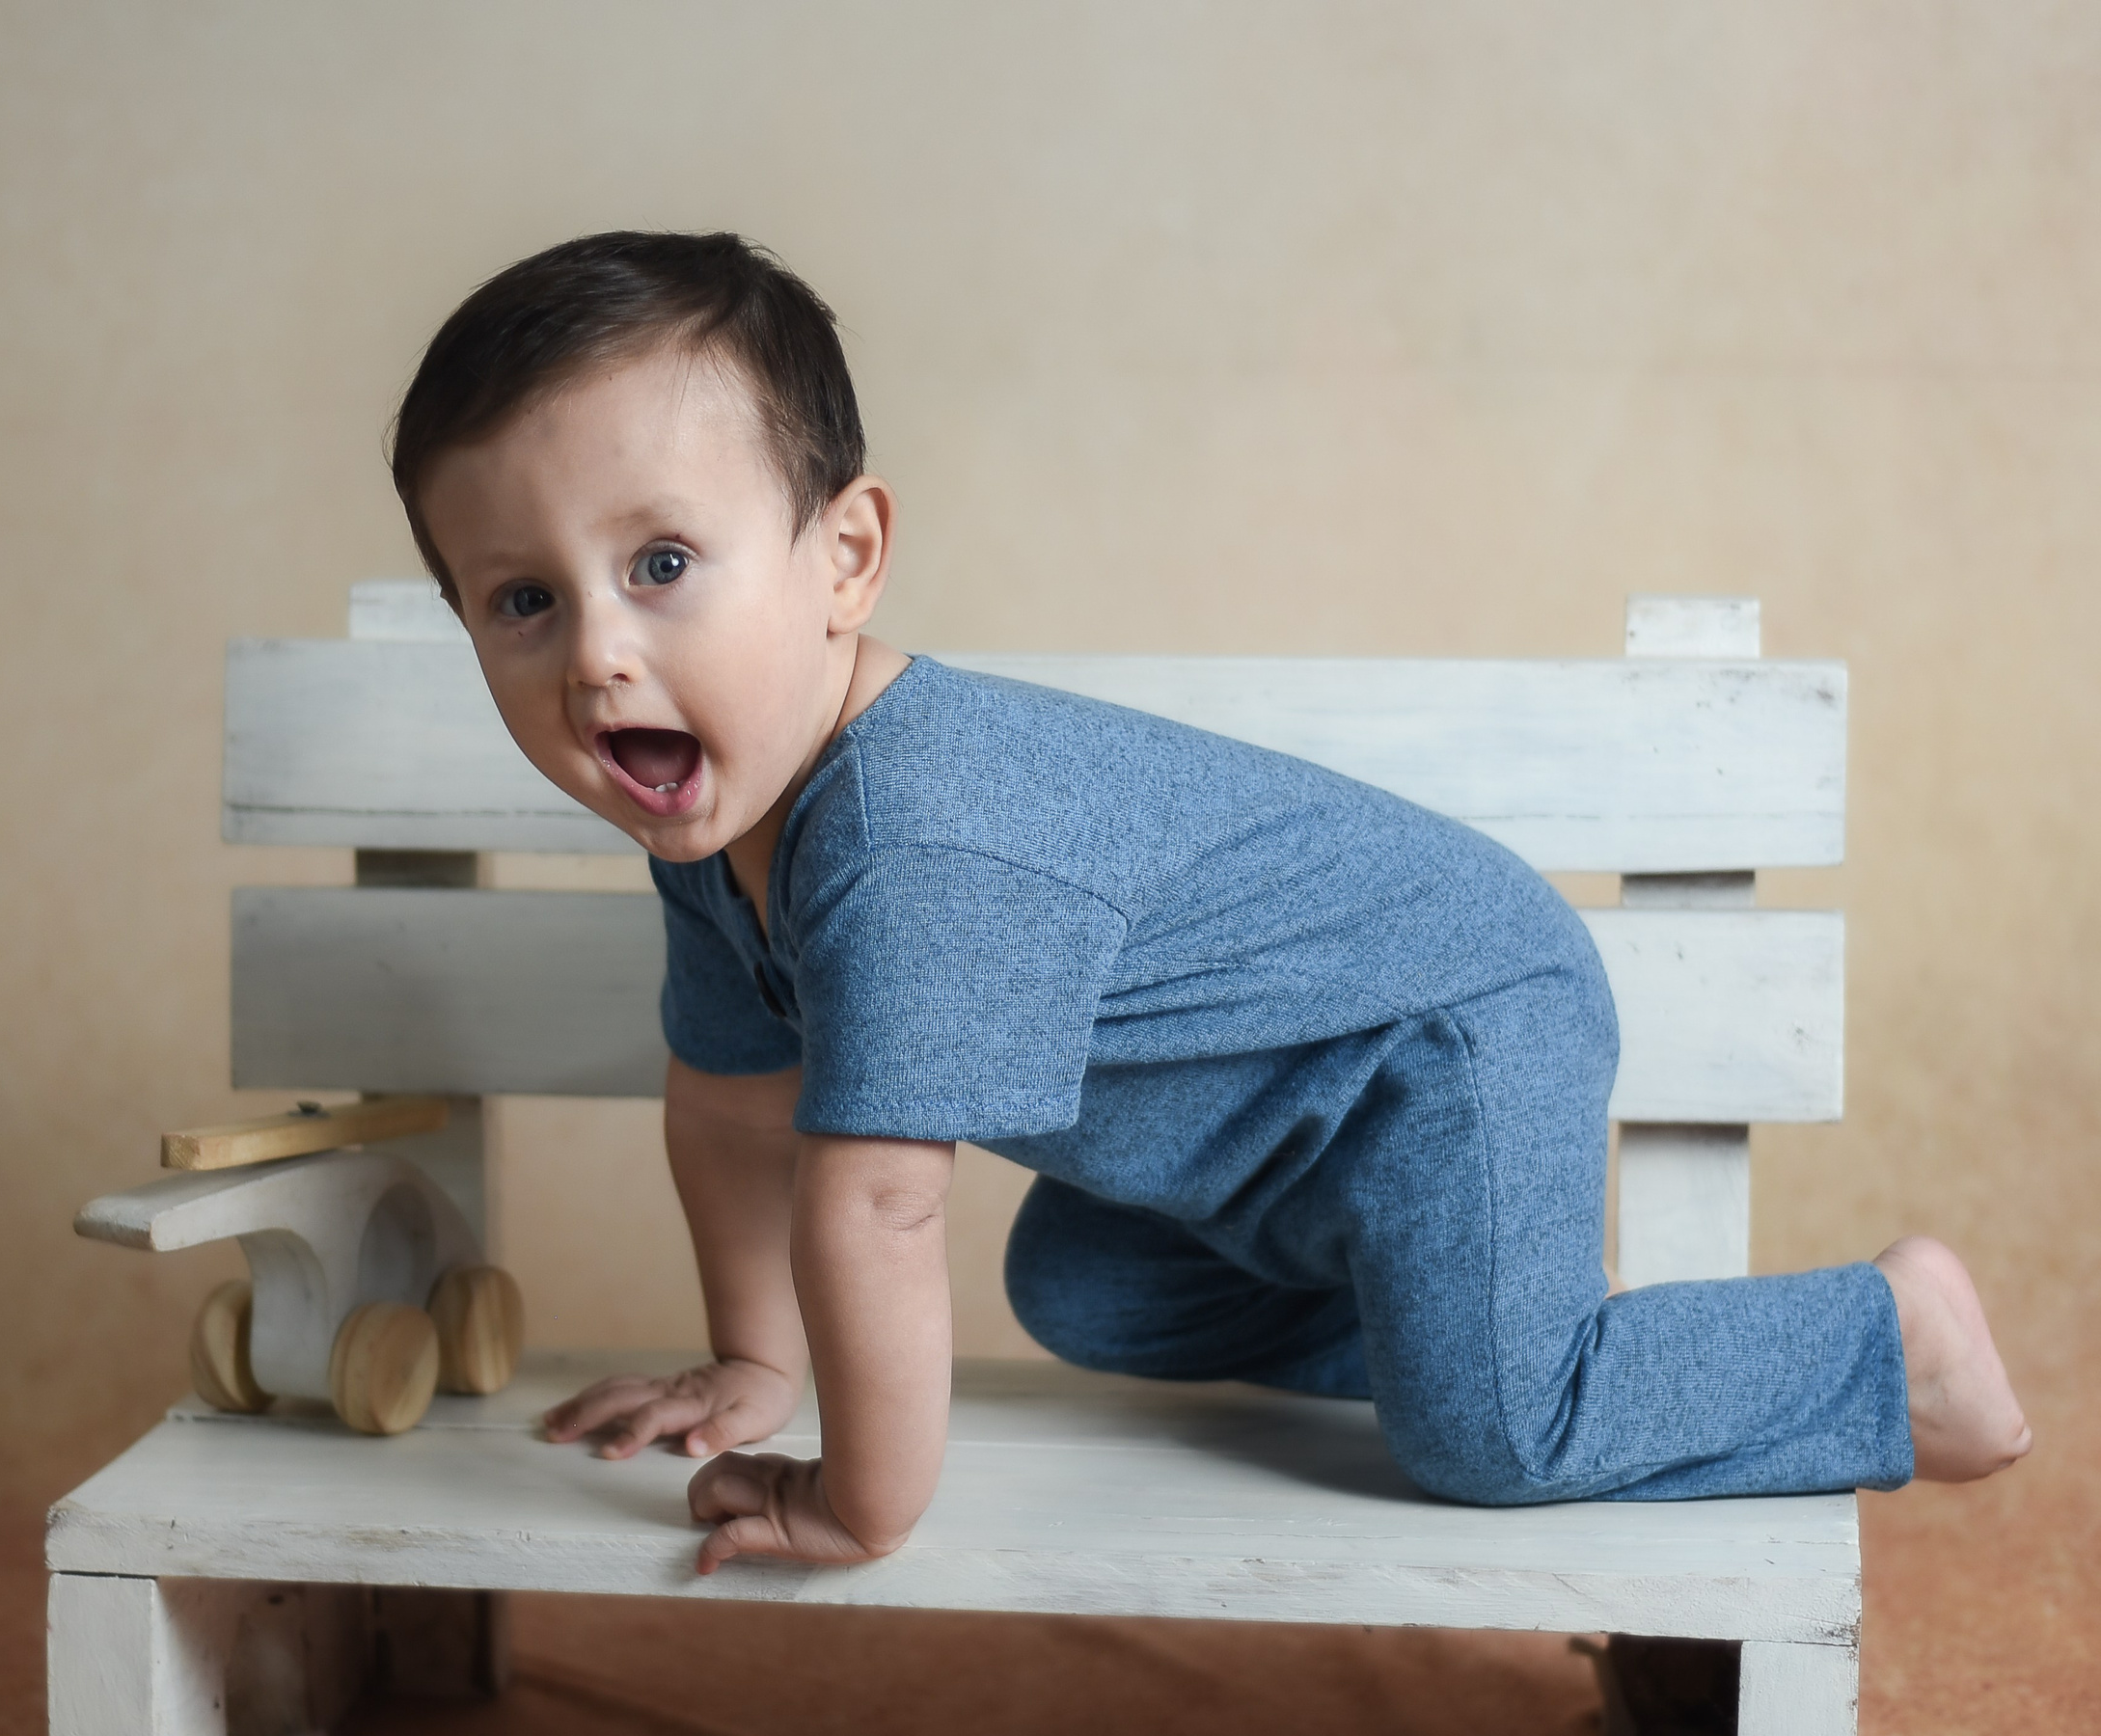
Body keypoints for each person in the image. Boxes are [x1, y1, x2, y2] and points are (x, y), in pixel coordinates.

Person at [388, 231, 2031, 1574]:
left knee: (1493, 1437)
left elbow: (875, 1200)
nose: (599, 653)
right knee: (1089, 1293)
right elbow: (736, 1109)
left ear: (846, 559)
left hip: (1436, 1035)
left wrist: (857, 1502)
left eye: (662, 564)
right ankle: (1472, 1321)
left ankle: (1885, 1340)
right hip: (1255, 1142)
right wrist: (759, 1364)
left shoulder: (920, 846)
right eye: (523, 600)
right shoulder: (715, 812)